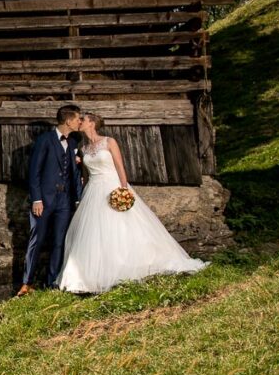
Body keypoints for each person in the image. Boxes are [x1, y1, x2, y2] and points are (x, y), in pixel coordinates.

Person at [56, 112, 208, 294]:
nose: (80, 122)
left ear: (92, 123)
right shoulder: (84, 148)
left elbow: (120, 166)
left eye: (84, 120)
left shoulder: (109, 142)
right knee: (97, 231)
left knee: (124, 226)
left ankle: (136, 264)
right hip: (94, 190)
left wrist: (123, 189)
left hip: (113, 186)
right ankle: (97, 273)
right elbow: (86, 174)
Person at [18, 104, 83, 296]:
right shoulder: (44, 140)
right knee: (36, 240)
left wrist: (77, 199)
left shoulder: (72, 144)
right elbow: (34, 172)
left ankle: (52, 282)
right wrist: (36, 199)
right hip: (44, 200)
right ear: (68, 120)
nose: (79, 121)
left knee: (59, 241)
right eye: (77, 118)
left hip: (64, 200)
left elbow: (74, 173)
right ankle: (26, 283)